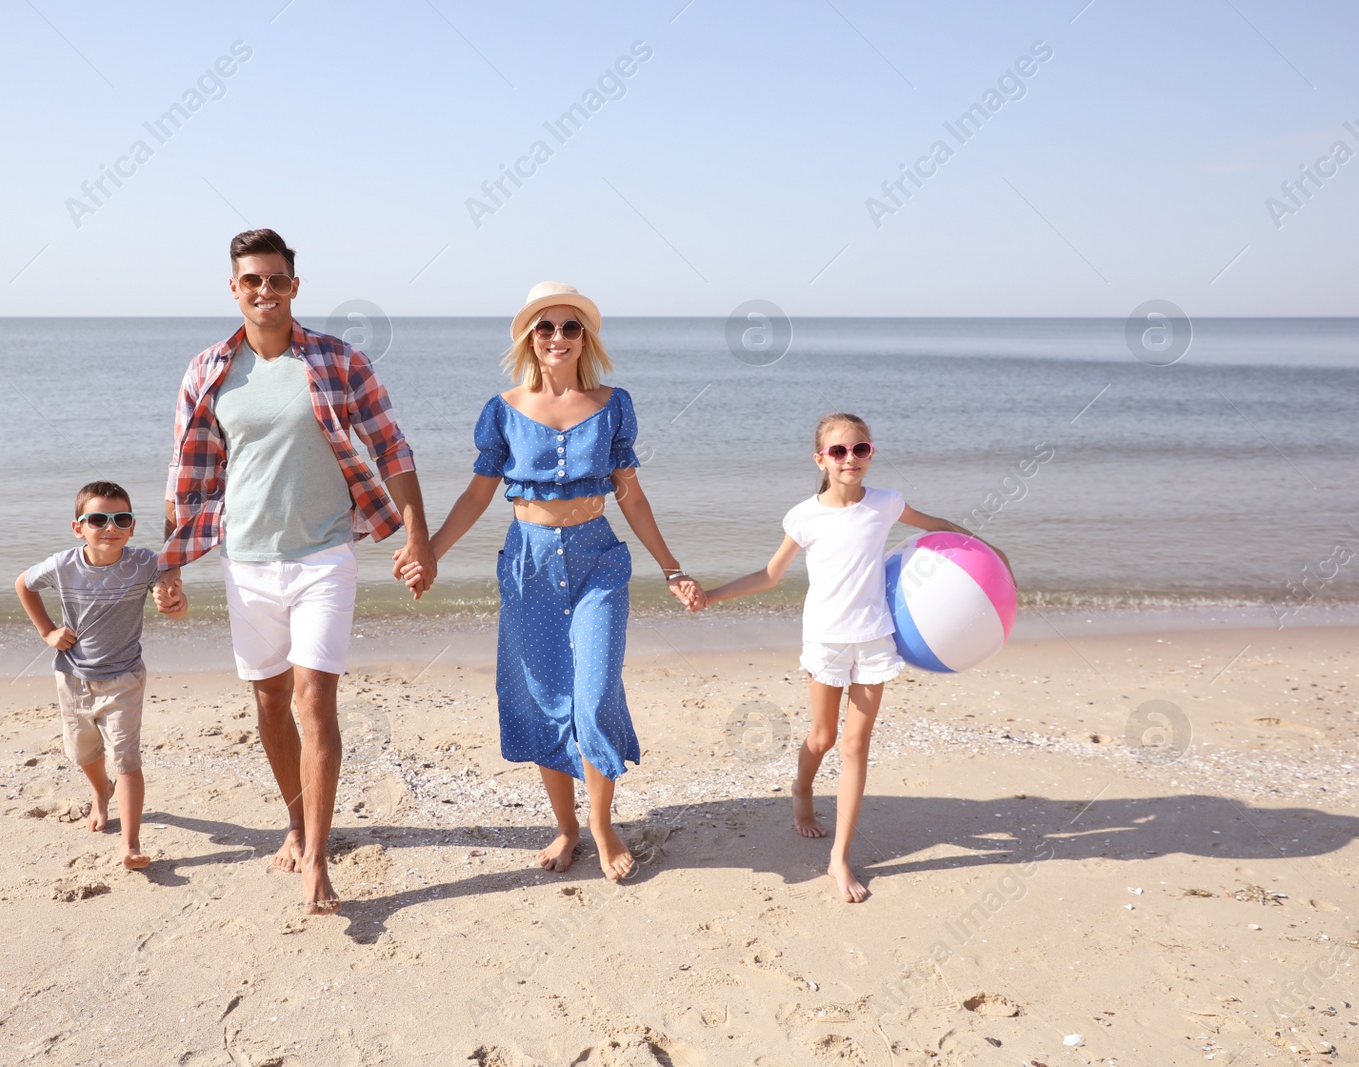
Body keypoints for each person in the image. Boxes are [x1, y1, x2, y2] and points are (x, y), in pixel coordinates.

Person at [152, 228, 434, 914]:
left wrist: (418, 536)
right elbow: (185, 473)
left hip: (325, 554)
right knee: (271, 703)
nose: (265, 290)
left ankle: (316, 856)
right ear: (234, 287)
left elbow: (391, 447)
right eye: (252, 280)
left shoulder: (337, 361)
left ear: (294, 286)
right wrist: (169, 564)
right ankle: (297, 817)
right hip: (245, 559)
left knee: (314, 700)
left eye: (276, 279)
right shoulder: (207, 370)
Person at [401, 282, 702, 882]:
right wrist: (428, 553)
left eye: (571, 328)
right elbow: (476, 494)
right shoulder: (503, 409)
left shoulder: (614, 403)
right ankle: (565, 827)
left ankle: (601, 823)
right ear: (529, 338)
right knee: (541, 697)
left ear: (584, 338)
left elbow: (633, 498)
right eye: (546, 327)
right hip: (528, 563)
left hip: (598, 561)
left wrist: (672, 568)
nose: (558, 338)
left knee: (592, 696)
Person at [698, 413, 1012, 903]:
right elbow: (769, 576)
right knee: (822, 737)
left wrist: (993, 555)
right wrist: (711, 596)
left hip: (875, 640)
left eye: (859, 449)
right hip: (825, 640)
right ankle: (802, 793)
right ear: (820, 459)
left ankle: (839, 857)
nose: (850, 459)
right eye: (839, 451)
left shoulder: (886, 505)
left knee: (854, 747)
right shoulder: (804, 516)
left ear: (871, 453)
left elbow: (942, 528)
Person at [15, 480, 189, 870]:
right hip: (72, 676)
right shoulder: (62, 565)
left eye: (120, 519)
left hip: (124, 677)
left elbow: (169, 586)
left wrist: (174, 601)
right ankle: (100, 792)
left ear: (132, 526)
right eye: (98, 519)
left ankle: (130, 844)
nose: (110, 527)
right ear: (79, 527)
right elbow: (23, 585)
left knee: (126, 759)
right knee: (83, 751)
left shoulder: (144, 563)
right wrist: (47, 631)